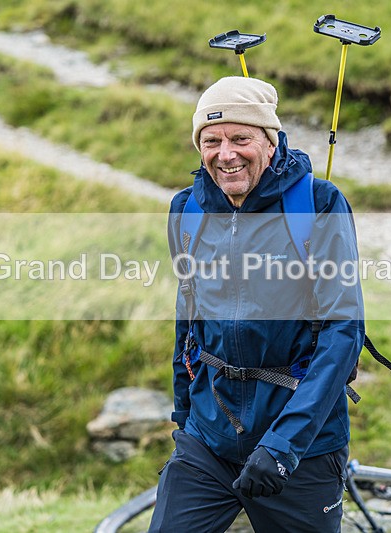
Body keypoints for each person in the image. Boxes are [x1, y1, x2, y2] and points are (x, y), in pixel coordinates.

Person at [149, 76, 365, 532]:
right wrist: (184, 418)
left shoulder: (319, 204)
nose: (225, 154)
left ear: (270, 142)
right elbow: (187, 316)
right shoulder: (186, 209)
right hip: (208, 439)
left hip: (301, 446)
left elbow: (343, 332)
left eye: (240, 138)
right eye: (211, 141)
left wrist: (284, 444)